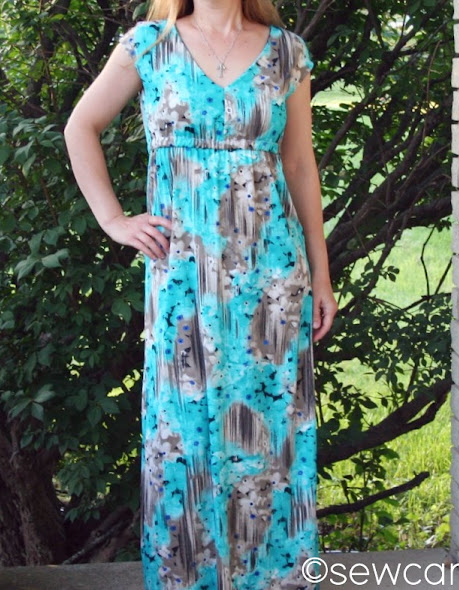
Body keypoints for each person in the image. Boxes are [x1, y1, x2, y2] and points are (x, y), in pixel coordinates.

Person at [64, 0, 337, 587]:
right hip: (183, 282)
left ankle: (272, 577)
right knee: (183, 435)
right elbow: (80, 127)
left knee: (268, 437)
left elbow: (298, 164)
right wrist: (113, 220)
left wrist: (321, 274)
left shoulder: (286, 52)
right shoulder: (149, 44)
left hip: (270, 283)